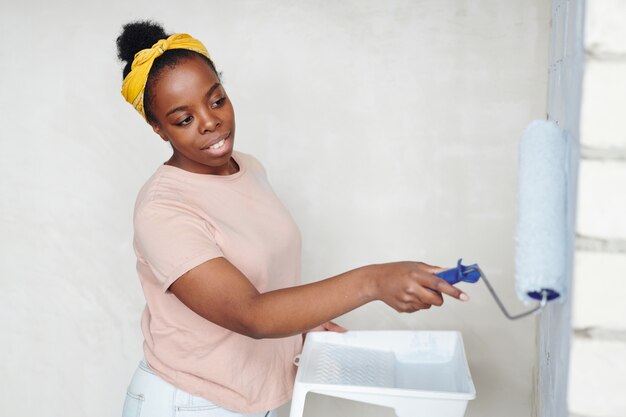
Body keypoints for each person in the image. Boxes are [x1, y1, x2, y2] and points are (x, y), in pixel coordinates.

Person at [117, 20, 469, 417]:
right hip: (190, 402)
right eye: (183, 119)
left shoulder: (248, 168)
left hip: (253, 398)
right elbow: (250, 313)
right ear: (157, 127)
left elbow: (265, 275)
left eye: (216, 100)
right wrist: (373, 281)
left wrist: (299, 331)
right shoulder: (162, 209)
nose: (210, 121)